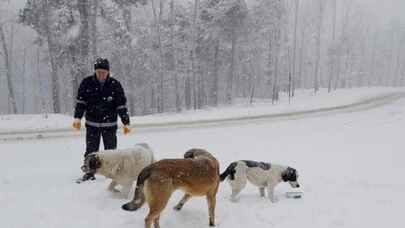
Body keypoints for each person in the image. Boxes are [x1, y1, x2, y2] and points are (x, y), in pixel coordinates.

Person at [73, 57, 131, 182]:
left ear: (108, 72)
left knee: (111, 151)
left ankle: (112, 173)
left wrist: (126, 122)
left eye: (103, 72)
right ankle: (89, 172)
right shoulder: (86, 83)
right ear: (95, 71)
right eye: (98, 72)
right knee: (91, 150)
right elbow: (81, 102)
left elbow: (121, 105)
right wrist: (77, 118)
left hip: (109, 124)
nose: (101, 74)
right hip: (92, 123)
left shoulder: (115, 85)